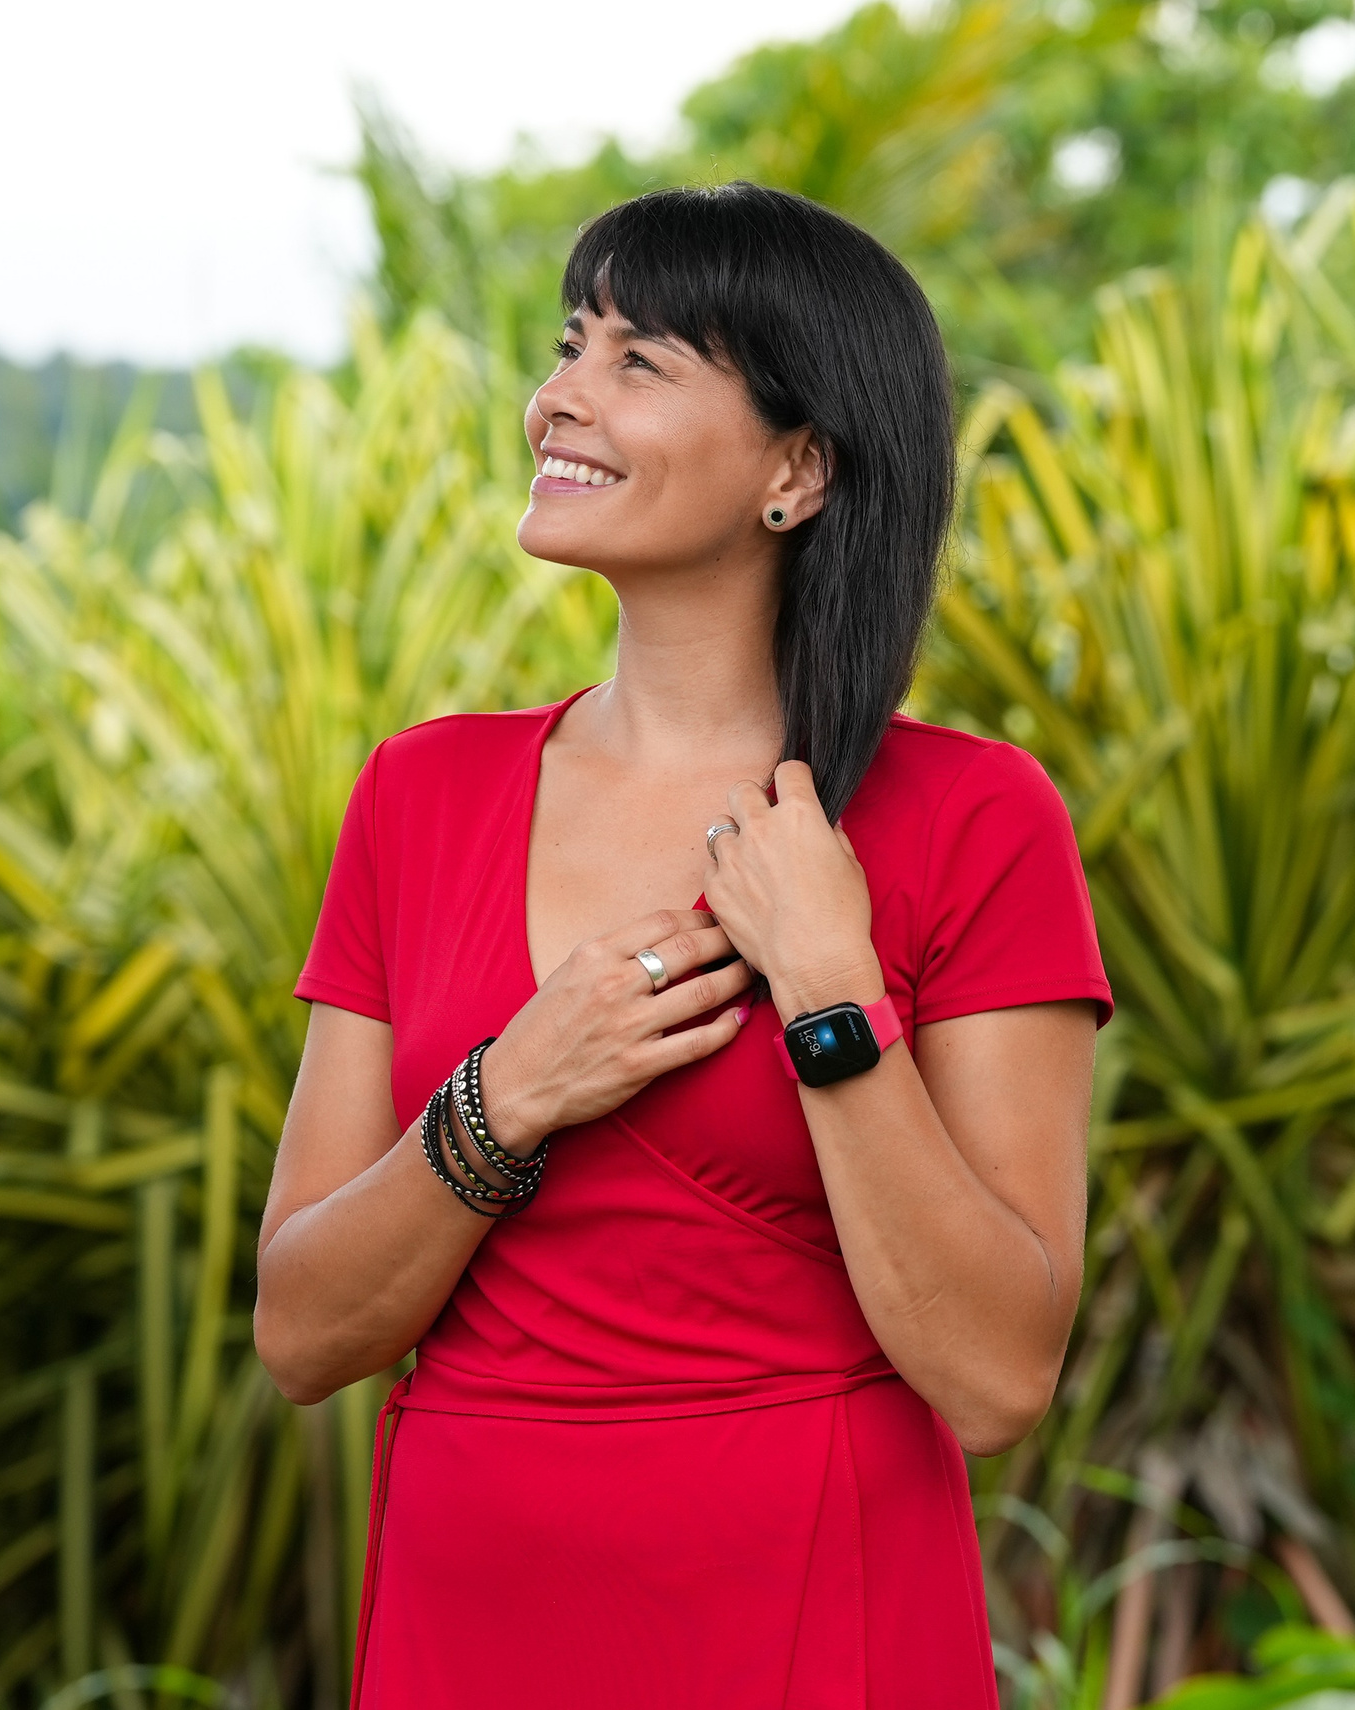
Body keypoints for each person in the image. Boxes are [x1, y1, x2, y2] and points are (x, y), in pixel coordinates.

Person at [254, 181, 1112, 1708]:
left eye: (638, 361)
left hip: (813, 1613)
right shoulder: (420, 793)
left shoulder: (975, 818)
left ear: (797, 466)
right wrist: (507, 1093)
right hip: (473, 1619)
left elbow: (994, 1378)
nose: (557, 396)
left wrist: (831, 994)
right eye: (570, 343)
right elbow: (306, 1329)